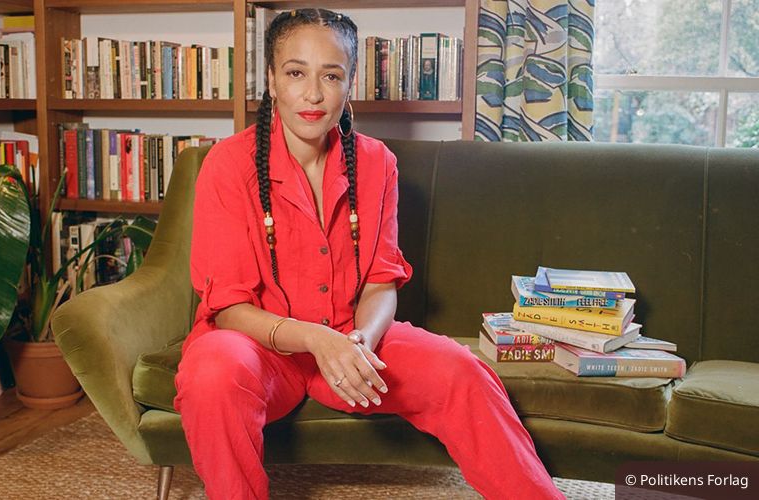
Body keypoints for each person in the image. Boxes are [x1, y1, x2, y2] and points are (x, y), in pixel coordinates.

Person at [173, 8, 564, 500]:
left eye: (330, 76)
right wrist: (317, 340)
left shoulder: (377, 162)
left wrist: (358, 343)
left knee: (460, 370)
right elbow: (229, 308)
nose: (313, 94)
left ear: (350, 83)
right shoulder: (227, 164)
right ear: (271, 80)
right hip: (256, 348)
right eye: (295, 73)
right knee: (212, 372)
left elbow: (382, 282)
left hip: (352, 339)